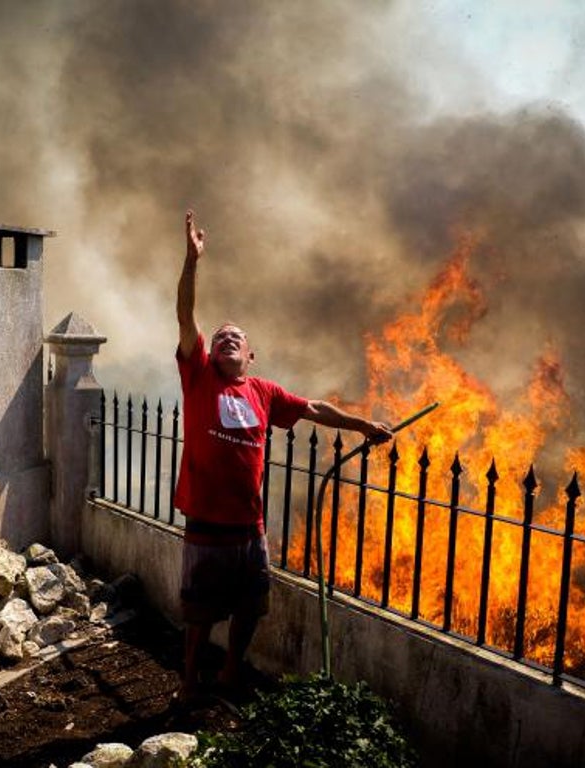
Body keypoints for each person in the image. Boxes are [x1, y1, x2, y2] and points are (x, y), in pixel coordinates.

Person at [174, 209, 392, 700]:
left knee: (250, 606)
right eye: (221, 336)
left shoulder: (264, 392)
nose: (227, 337)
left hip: (249, 526)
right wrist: (192, 261)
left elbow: (313, 406)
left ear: (251, 356)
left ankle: (231, 674)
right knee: (199, 613)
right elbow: (187, 315)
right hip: (206, 521)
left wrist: (364, 425)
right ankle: (189, 683)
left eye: (238, 337)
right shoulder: (200, 376)